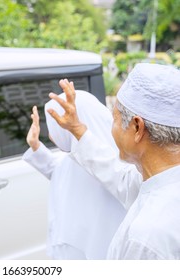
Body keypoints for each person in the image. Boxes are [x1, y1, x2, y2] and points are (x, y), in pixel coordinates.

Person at [48, 63, 180, 259]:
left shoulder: (146, 237)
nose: (112, 128)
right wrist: (77, 129)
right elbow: (122, 178)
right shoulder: (162, 180)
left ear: (137, 127)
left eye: (115, 119)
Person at [23, 90, 126, 259]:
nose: (51, 134)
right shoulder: (75, 158)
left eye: (54, 125)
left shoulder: (110, 162)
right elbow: (59, 172)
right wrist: (35, 146)